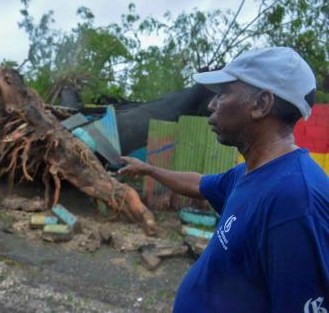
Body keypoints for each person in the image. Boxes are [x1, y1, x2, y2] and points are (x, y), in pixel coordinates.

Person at [118, 47, 329, 313]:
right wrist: (148, 169)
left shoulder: (295, 200)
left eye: (223, 93)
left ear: (261, 104)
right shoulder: (249, 173)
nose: (211, 105)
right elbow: (199, 184)